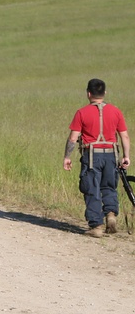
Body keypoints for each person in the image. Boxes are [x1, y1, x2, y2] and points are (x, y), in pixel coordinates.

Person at [64, 78, 131, 237]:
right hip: (111, 155)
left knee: (91, 188)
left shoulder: (81, 112)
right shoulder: (116, 111)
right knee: (109, 186)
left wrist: (67, 157)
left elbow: (73, 138)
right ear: (104, 93)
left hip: (92, 155)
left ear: (88, 93)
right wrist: (126, 156)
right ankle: (111, 215)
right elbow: (125, 137)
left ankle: (96, 226)